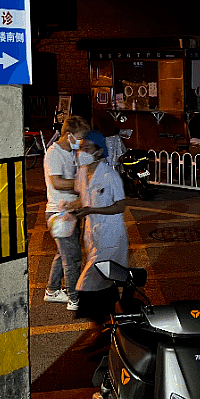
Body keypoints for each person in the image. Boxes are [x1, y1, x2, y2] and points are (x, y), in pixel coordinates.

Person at [68, 130, 129, 347]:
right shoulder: (82, 173)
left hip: (110, 237)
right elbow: (82, 200)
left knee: (88, 284)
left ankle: (99, 328)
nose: (81, 152)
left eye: (87, 148)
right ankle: (111, 326)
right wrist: (72, 207)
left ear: (99, 152)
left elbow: (120, 206)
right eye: (80, 148)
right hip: (93, 236)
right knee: (105, 282)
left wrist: (90, 210)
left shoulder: (109, 175)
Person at [43, 115, 90, 311]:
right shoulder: (54, 153)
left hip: (71, 210)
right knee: (73, 258)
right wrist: (81, 186)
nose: (80, 141)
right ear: (68, 135)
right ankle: (75, 299)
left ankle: (52, 291)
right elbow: (57, 182)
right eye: (79, 137)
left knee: (63, 253)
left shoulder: (72, 152)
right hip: (59, 213)